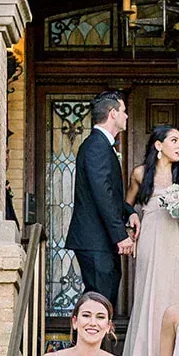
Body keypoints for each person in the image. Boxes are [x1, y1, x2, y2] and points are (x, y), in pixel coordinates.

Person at [123, 124, 179, 356]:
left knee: (178, 291)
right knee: (151, 293)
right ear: (158, 145)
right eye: (174, 140)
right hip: (152, 237)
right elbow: (127, 205)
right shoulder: (140, 174)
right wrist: (132, 218)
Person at [66, 90, 139, 309]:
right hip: (95, 240)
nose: (127, 116)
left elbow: (108, 194)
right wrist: (120, 235)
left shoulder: (100, 145)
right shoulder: (96, 146)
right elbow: (102, 194)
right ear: (113, 113)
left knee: (103, 302)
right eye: (124, 111)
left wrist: (129, 211)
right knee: (98, 304)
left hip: (99, 241)